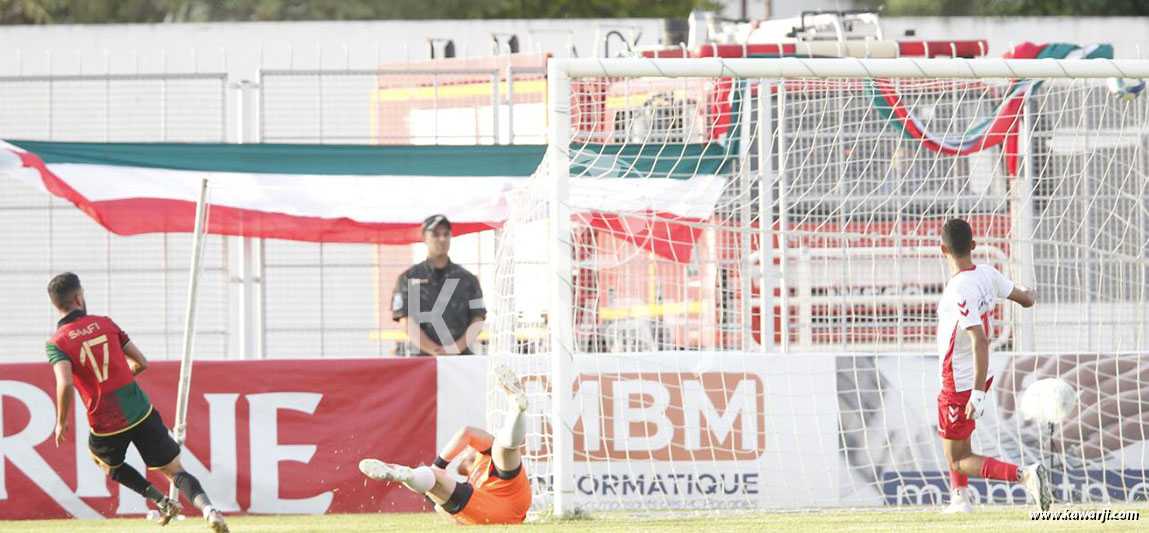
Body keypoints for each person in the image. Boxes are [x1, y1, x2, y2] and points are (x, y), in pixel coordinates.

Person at [45, 272, 229, 532]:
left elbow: (64, 384)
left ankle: (160, 501)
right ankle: (210, 510)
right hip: (140, 410)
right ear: (78, 297)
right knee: (175, 470)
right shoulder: (105, 323)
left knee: (106, 462)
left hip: (106, 421)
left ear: (56, 304)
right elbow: (141, 363)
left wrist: (61, 422)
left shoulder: (56, 343)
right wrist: (121, 377)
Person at [935, 219, 1049, 514]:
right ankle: (960, 499)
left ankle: (1024, 475)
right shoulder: (987, 274)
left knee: (957, 459)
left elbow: (980, 341)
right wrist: (1030, 291)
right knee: (961, 444)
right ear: (973, 246)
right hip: (977, 375)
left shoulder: (959, 289)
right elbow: (1025, 298)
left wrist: (975, 394)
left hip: (961, 381)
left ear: (942, 249)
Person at [359, 364, 531, 525]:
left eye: (465, 452)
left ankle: (408, 475)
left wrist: (438, 468)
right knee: (502, 447)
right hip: (501, 507)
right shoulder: (472, 480)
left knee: (500, 446)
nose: (464, 453)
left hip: (488, 508)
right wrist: (438, 470)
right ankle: (407, 475)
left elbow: (467, 433)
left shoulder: (484, 457)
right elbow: (467, 433)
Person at [392, 214, 486, 356]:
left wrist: (455, 349)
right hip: (422, 361)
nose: (442, 239)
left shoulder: (467, 279)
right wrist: (434, 351)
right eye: (435, 234)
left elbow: (477, 319)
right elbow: (406, 320)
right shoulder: (409, 278)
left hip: (461, 360)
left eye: (446, 234)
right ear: (425, 238)